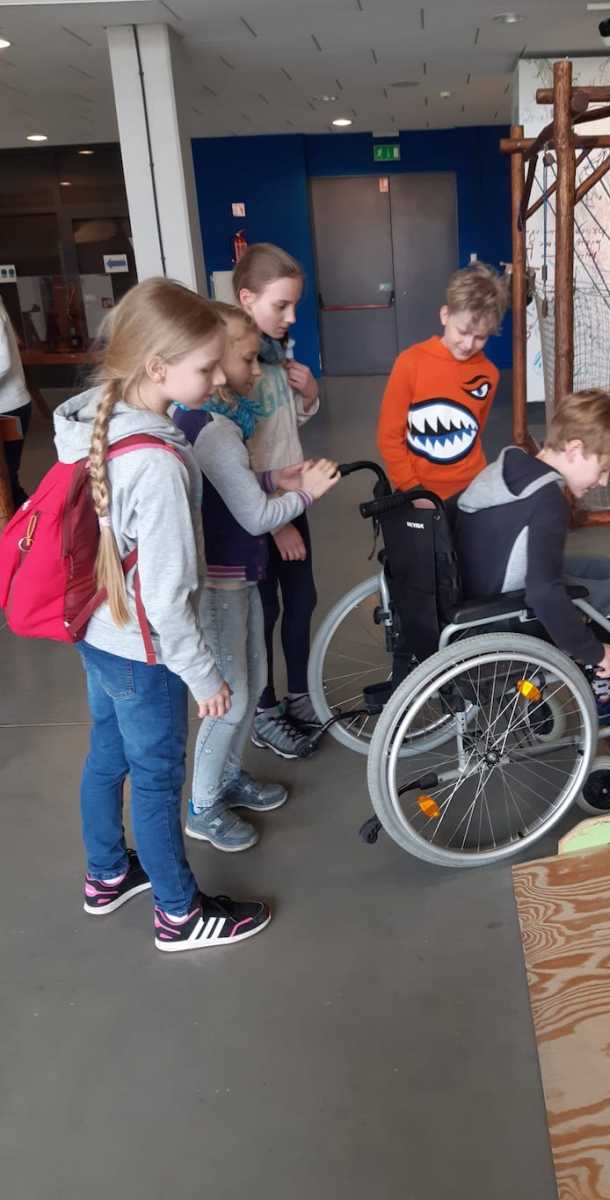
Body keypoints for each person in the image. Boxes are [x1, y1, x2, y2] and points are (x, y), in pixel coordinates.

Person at [54, 278, 270, 952]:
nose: (217, 378)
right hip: (143, 650)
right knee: (156, 780)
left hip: (96, 630)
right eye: (205, 368)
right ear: (156, 368)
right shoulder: (158, 463)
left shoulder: (98, 421)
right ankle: (179, 913)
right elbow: (167, 597)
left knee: (107, 755)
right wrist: (205, 677)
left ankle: (106, 874)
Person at [172, 302, 340, 852]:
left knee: (249, 682)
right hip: (222, 586)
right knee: (231, 699)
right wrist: (305, 494)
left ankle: (226, 777)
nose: (251, 370)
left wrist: (274, 476)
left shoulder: (210, 425)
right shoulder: (216, 431)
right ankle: (203, 805)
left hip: (238, 577)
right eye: (246, 359)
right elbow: (255, 516)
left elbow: (233, 487)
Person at [455, 389, 610, 758]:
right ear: (574, 449)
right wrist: (591, 650)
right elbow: (542, 592)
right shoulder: (548, 500)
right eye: (603, 469)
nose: (603, 482)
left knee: (599, 567)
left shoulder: (512, 464)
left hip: (480, 585)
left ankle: (603, 689)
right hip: (507, 613)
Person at [232, 243, 323, 760]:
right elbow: (236, 459)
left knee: (302, 600)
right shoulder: (237, 367)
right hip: (259, 514)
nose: (290, 318)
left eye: (294, 307)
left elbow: (286, 428)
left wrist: (309, 394)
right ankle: (265, 710)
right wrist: (274, 524)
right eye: (280, 306)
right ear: (247, 299)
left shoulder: (274, 354)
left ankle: (300, 695)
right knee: (263, 612)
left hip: (290, 501)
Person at [376, 260, 508, 501]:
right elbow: (389, 437)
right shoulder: (409, 363)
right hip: (418, 491)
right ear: (445, 315)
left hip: (472, 489)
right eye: (462, 332)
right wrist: (412, 488)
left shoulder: (490, 374)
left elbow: (475, 429)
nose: (468, 344)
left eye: (480, 337)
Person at [0, 294, 32, 509]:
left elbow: (3, 362)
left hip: (9, 409)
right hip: (10, 405)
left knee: (7, 480)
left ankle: (34, 523)